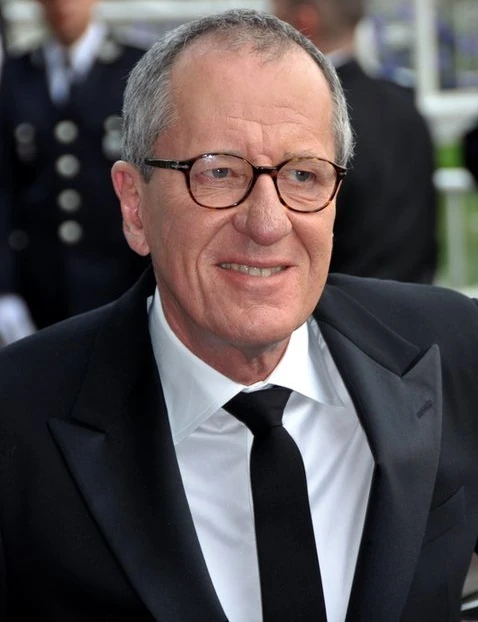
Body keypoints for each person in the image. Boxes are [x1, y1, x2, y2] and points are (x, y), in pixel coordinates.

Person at [0, 8, 477, 622]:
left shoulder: (451, 349)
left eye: (303, 175)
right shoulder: (18, 420)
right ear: (135, 206)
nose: (268, 222)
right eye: (219, 172)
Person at [0, 0, 147, 339]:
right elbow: (5, 188)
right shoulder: (17, 74)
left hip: (119, 279)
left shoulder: (135, 68)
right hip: (39, 284)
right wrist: (5, 286)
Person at [271, 0, 438, 283]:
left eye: (275, 20)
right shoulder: (404, 103)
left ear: (305, 21)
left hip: (332, 300)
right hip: (414, 298)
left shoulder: (301, 114)